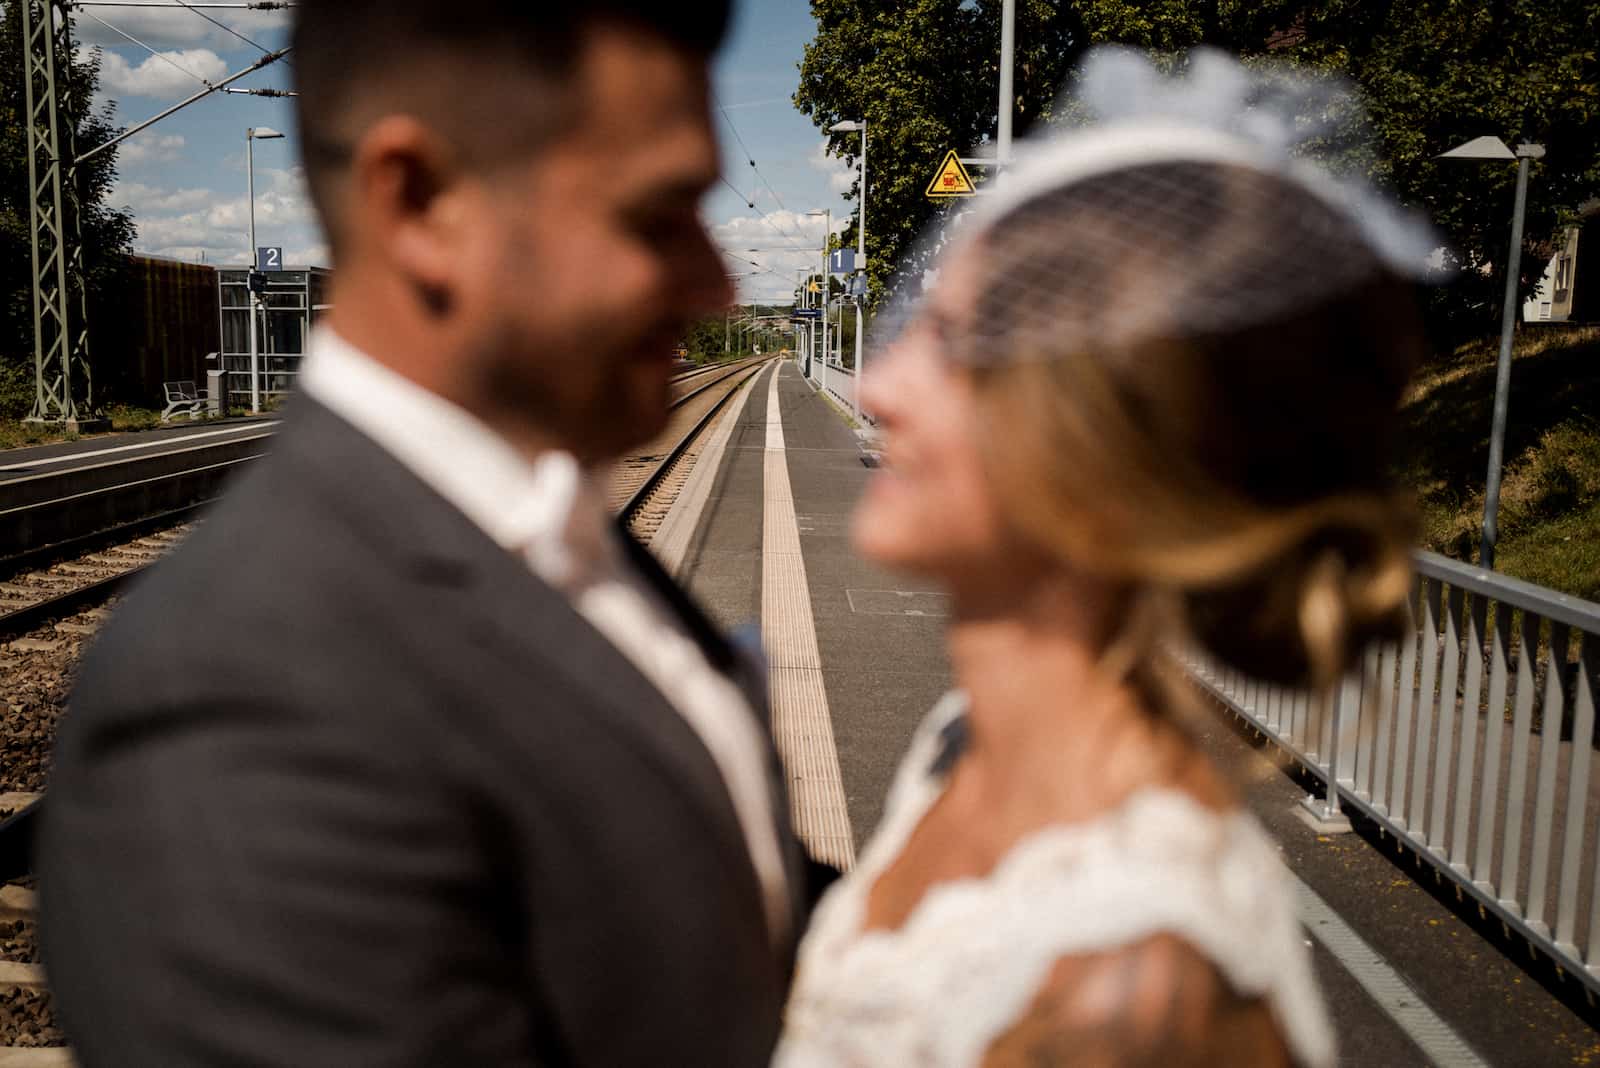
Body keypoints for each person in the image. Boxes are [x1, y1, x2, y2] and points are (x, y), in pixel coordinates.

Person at [40, 3, 831, 1065]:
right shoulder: (240, 702)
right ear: (420, 202)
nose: (718, 285)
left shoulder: (536, 522)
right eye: (657, 216)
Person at [777, 48, 1438, 1067]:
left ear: (1100, 455)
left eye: (951, 341)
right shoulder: (965, 740)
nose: (876, 389)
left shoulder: (1134, 987)